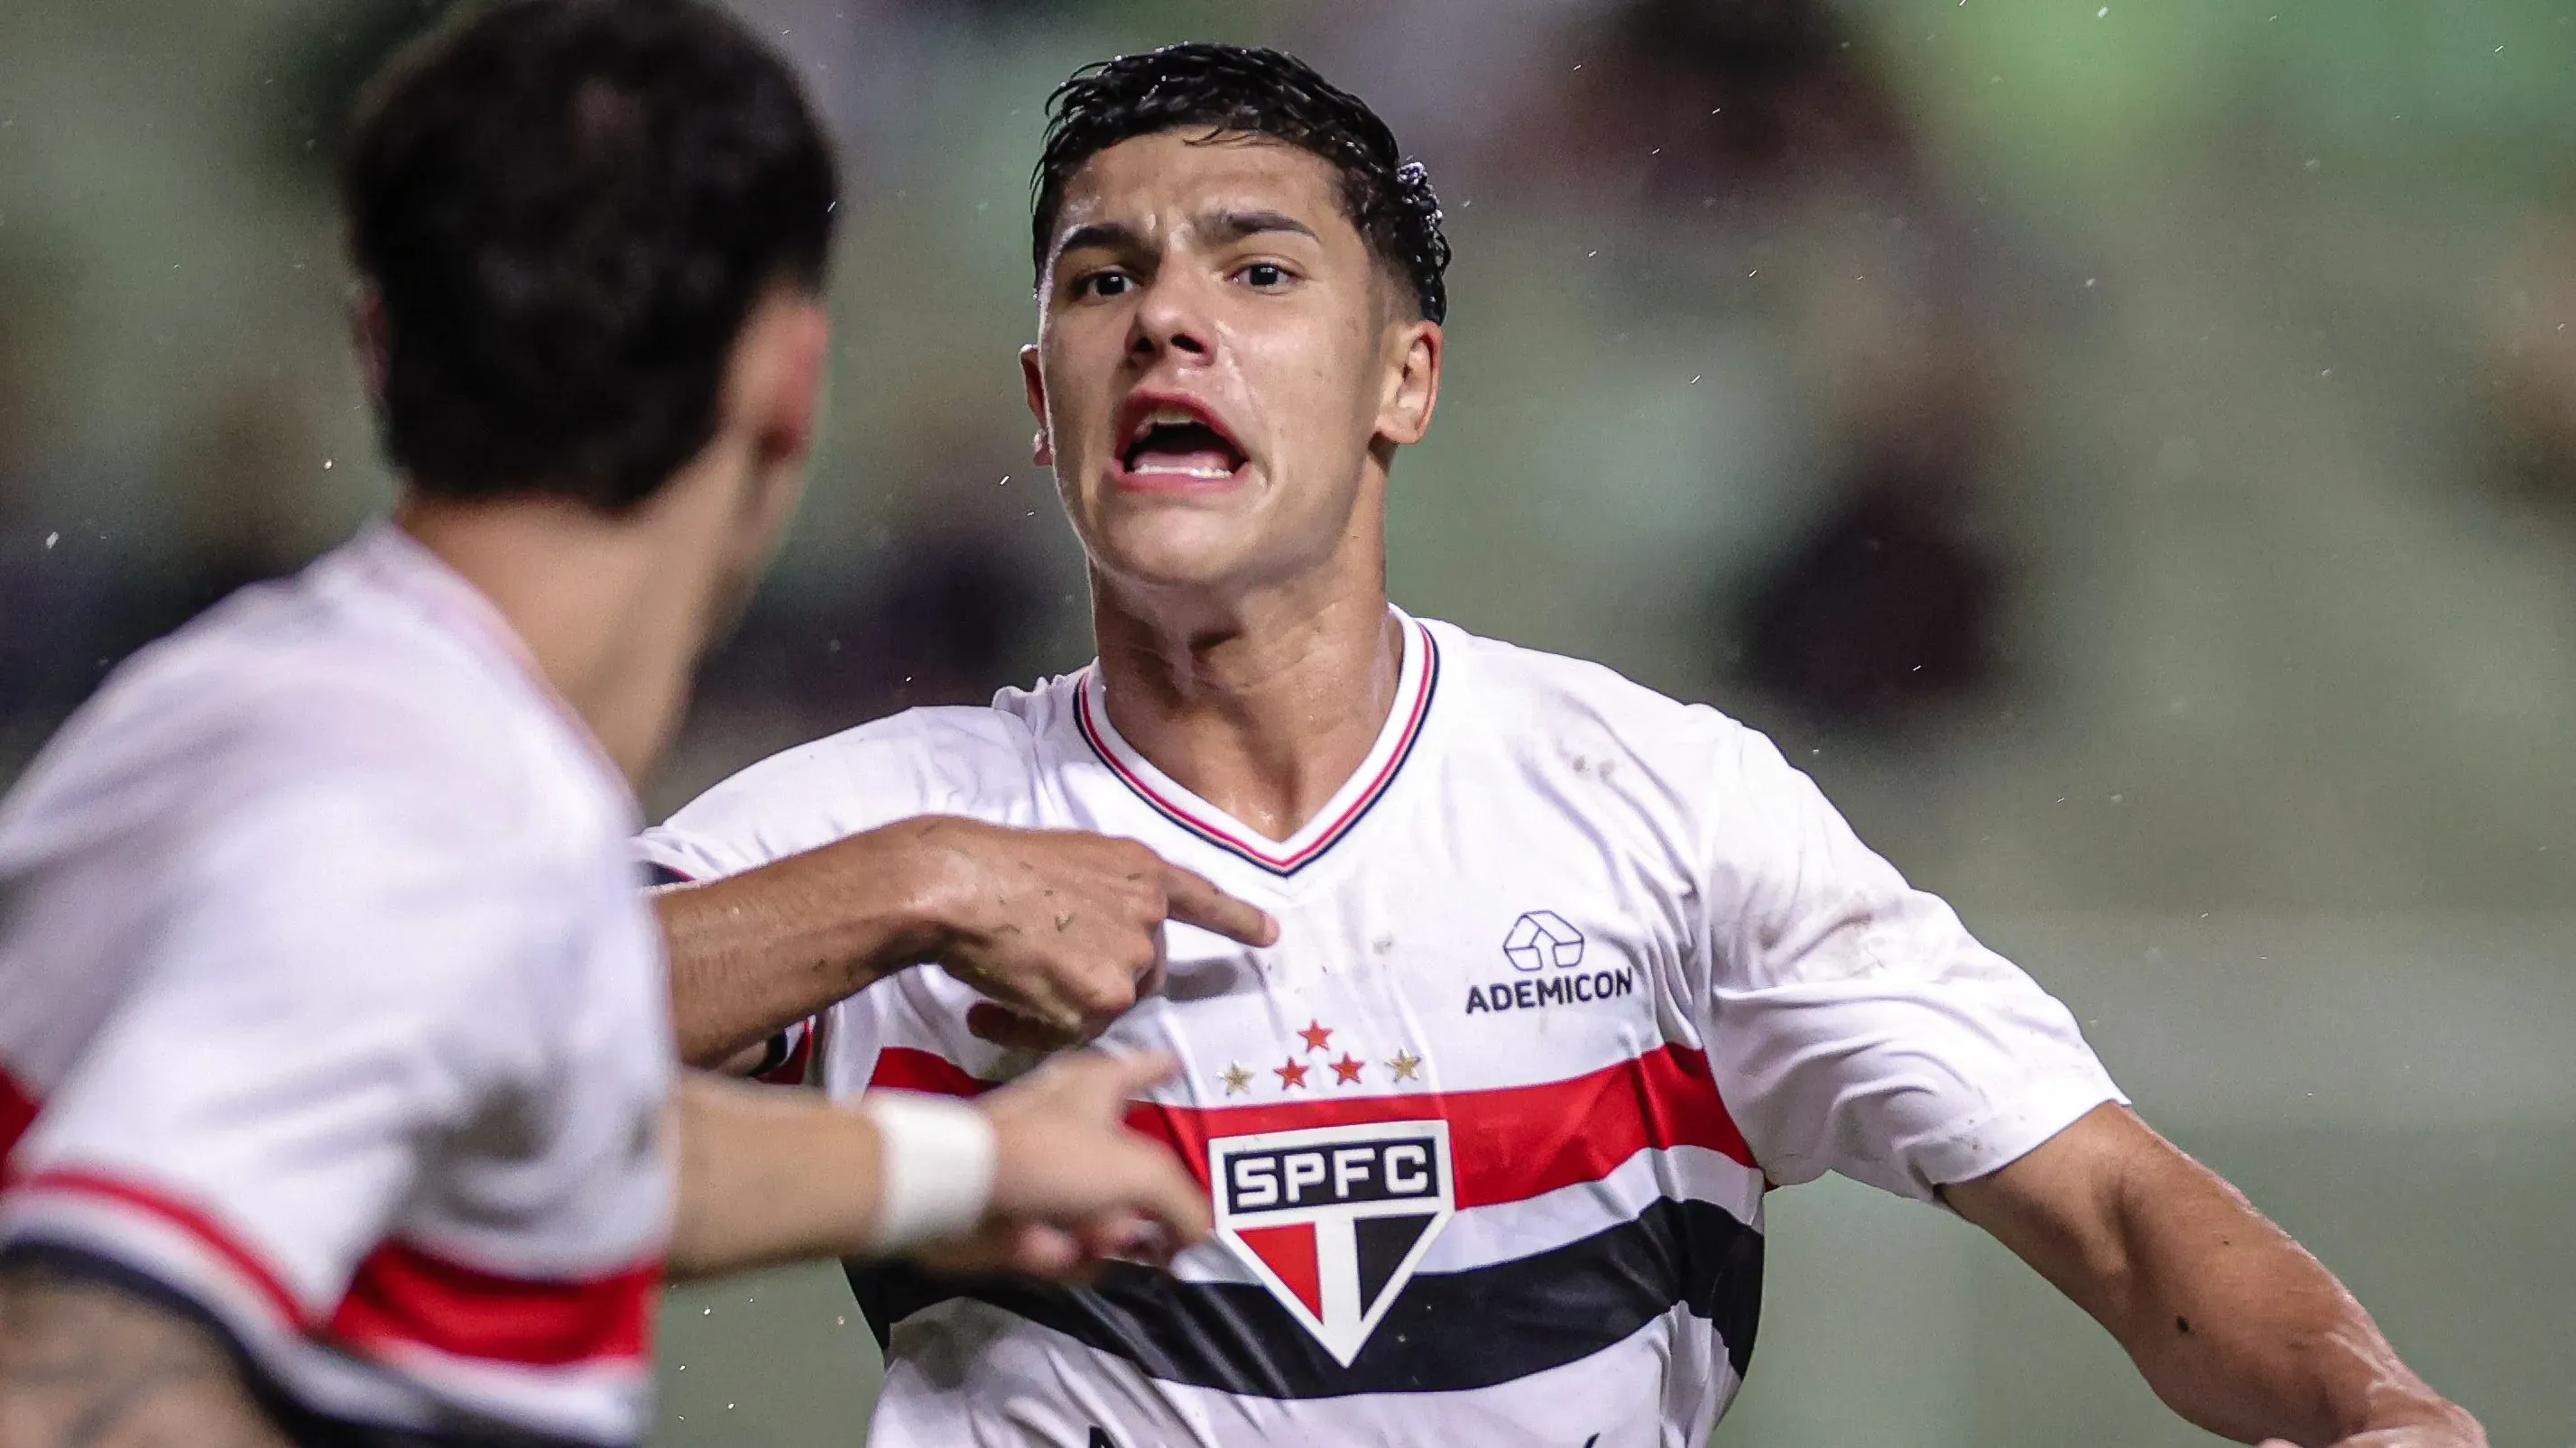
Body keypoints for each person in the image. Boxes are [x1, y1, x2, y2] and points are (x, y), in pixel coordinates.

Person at [637, 42, 2483, 1448]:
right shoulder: (881, 827)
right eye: (1102, 279)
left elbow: (2108, 1205)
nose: (1167, 316)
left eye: (1256, 271)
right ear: (1045, 406)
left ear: (1404, 380)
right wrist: (914, 888)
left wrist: (2364, 1408)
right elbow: (432, 1042)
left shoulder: (1661, 810)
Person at [0, 7, 1274, 1446]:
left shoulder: (240, 704)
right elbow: (60, 1378)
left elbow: (531, 1131)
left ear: (377, 347)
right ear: (789, 382)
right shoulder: (415, 816)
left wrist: (951, 1170)